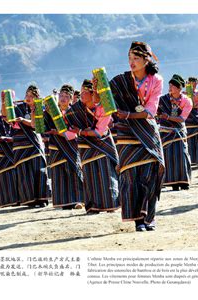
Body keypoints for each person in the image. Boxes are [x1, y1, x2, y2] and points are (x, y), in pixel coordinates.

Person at [109, 41, 165, 232]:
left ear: (146, 59)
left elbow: (151, 110)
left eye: (136, 58)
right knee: (131, 176)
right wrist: (99, 90)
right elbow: (108, 105)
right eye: (129, 58)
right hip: (126, 133)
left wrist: (129, 115)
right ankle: (137, 220)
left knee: (149, 175)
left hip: (147, 131)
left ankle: (149, 218)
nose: (131, 62)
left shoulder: (156, 80)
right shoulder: (120, 81)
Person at [66, 79, 120, 214]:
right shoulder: (75, 110)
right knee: (90, 177)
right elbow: (68, 131)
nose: (81, 95)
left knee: (105, 174)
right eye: (81, 91)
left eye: (85, 92)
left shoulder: (103, 108)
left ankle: (110, 203)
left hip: (102, 144)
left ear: (93, 94)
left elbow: (99, 131)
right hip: (85, 147)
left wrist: (79, 131)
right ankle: (92, 206)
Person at [44, 84, 85, 210]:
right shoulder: (51, 112)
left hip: (71, 145)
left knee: (74, 172)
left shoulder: (75, 111)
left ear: (72, 99)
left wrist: (60, 133)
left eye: (66, 96)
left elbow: (76, 131)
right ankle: (64, 201)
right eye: (61, 95)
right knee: (59, 173)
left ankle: (79, 200)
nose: (63, 98)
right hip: (55, 146)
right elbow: (39, 127)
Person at [12, 85, 51, 208]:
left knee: (38, 170)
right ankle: (29, 199)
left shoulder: (40, 109)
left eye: (32, 96)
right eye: (27, 95)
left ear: (37, 98)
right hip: (20, 143)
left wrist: (25, 119)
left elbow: (35, 125)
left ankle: (42, 198)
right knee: (25, 172)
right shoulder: (19, 108)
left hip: (34, 142)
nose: (28, 98)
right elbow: (11, 120)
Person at [157, 74, 193, 191]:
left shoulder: (187, 101)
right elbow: (155, 112)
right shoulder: (162, 100)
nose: (170, 87)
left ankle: (184, 181)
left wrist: (167, 117)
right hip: (165, 132)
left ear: (179, 88)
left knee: (181, 154)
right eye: (170, 85)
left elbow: (182, 119)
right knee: (168, 156)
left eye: (173, 86)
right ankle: (171, 182)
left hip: (178, 132)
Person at [0, 107, 19, 207]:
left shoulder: (16, 122)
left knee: (15, 176)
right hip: (0, 153)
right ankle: (7, 200)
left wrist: (10, 139)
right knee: (4, 176)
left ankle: (18, 200)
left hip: (15, 152)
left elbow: (22, 136)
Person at [184, 77, 198, 165]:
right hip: (188, 119)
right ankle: (190, 160)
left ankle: (197, 159)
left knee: (197, 140)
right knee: (189, 141)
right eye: (191, 82)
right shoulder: (183, 93)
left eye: (194, 82)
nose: (193, 84)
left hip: (197, 118)